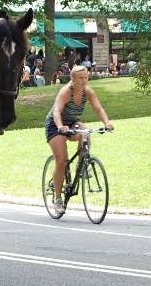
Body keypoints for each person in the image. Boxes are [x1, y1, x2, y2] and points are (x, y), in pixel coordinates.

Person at [45, 65, 114, 216]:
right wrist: (60, 126)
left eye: (86, 78)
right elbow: (56, 111)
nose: (84, 81)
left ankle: (81, 166)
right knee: (62, 160)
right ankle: (58, 199)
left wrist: (106, 123)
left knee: (86, 132)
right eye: (81, 78)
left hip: (72, 122)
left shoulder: (88, 92)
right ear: (73, 79)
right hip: (55, 125)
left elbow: (98, 108)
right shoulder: (65, 92)